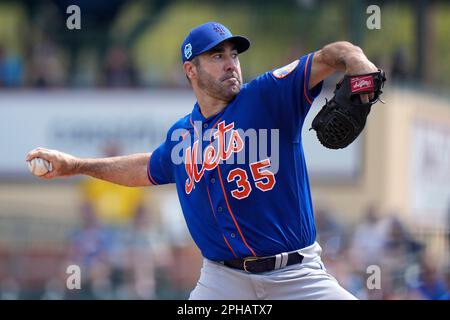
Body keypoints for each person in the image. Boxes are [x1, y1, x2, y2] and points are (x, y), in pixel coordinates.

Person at [26, 22, 381, 300]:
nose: (231, 64)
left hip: (296, 276)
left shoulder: (269, 95)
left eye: (233, 55)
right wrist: (76, 166)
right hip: (223, 282)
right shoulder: (183, 135)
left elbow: (333, 54)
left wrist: (358, 63)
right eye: (217, 57)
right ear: (191, 70)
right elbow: (145, 167)